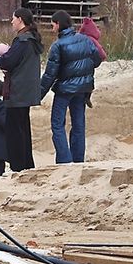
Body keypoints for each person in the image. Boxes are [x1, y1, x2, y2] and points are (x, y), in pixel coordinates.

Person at [40, 10, 103, 164]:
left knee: (57, 125)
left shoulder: (58, 45)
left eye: (53, 24)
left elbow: (50, 74)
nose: (52, 27)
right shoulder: (86, 40)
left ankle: (65, 161)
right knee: (78, 125)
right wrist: (83, 72)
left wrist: (38, 94)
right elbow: (97, 58)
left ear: (58, 24)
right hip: (83, 89)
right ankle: (78, 160)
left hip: (64, 90)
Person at [0, 8, 42, 171]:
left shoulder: (22, 40)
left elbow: (8, 62)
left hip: (17, 92)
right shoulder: (32, 39)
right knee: (23, 130)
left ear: (20, 19)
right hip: (26, 92)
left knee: (15, 133)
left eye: (13, 18)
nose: (11, 21)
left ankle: (18, 167)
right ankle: (27, 165)